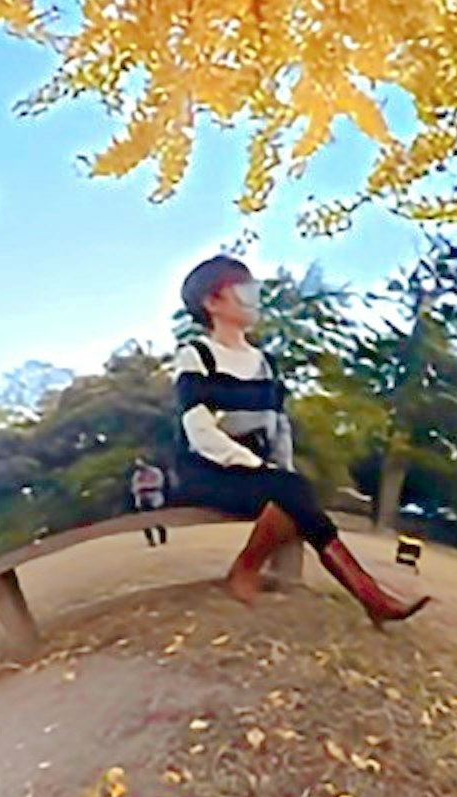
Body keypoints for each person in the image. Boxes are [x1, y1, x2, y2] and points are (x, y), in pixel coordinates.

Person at [171, 253, 426, 624]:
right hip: (207, 468)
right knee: (291, 491)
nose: (254, 298)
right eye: (243, 290)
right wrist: (259, 468)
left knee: (293, 491)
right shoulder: (196, 356)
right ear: (213, 302)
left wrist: (280, 471)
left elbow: (278, 428)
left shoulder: (263, 362)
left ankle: (361, 594)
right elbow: (200, 432)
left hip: (257, 469)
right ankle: (367, 594)